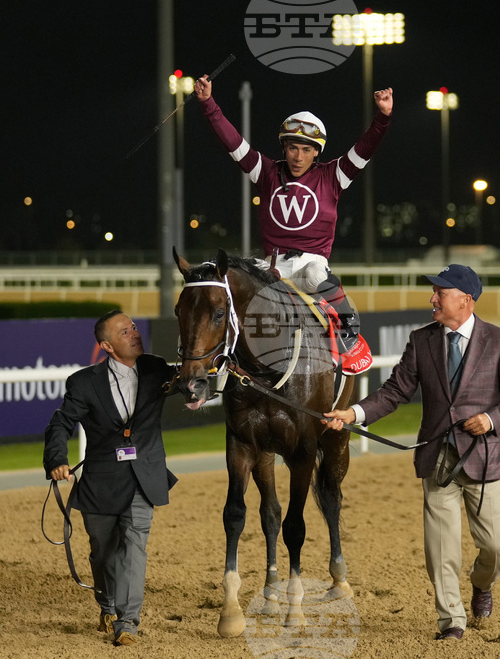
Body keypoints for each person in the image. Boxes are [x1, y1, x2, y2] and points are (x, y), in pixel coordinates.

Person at [323, 264, 500, 641]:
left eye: (440, 292)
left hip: (485, 460)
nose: (432, 299)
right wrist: (353, 413)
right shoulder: (421, 340)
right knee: (441, 548)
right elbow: (394, 392)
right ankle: (451, 620)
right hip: (437, 460)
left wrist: (490, 418)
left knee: (496, 548)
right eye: (433, 291)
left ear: (465, 300)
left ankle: (481, 584)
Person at [193, 75, 393, 373]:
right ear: (283, 147)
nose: (298, 157)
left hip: (311, 264)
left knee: (314, 276)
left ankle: (349, 333)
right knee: (233, 278)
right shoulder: (266, 172)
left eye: (306, 150)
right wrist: (208, 103)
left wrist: (383, 117)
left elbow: (364, 149)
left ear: (317, 152)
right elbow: (232, 142)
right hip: (272, 264)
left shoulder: (333, 176)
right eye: (292, 148)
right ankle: (218, 356)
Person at [43, 310, 179, 647]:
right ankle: (106, 603)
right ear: (106, 345)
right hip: (101, 482)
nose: (134, 333)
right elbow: (60, 424)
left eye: (133, 327)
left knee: (134, 545)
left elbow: (190, 381)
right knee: (103, 553)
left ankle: (127, 621)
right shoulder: (84, 382)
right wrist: (57, 459)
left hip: (143, 477)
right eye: (124, 331)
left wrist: (203, 383)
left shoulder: (155, 368)